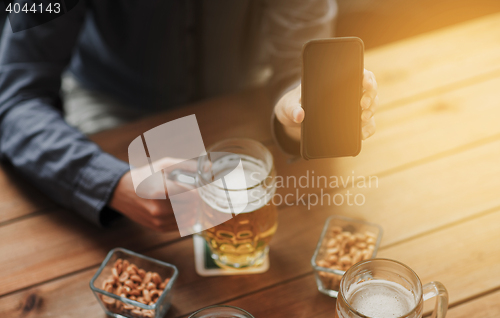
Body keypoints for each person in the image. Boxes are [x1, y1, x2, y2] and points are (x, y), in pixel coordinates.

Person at [0, 0, 378, 232]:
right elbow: (15, 98)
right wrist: (111, 184)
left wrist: (298, 113)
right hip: (111, 107)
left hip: (241, 99)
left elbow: (296, 63)